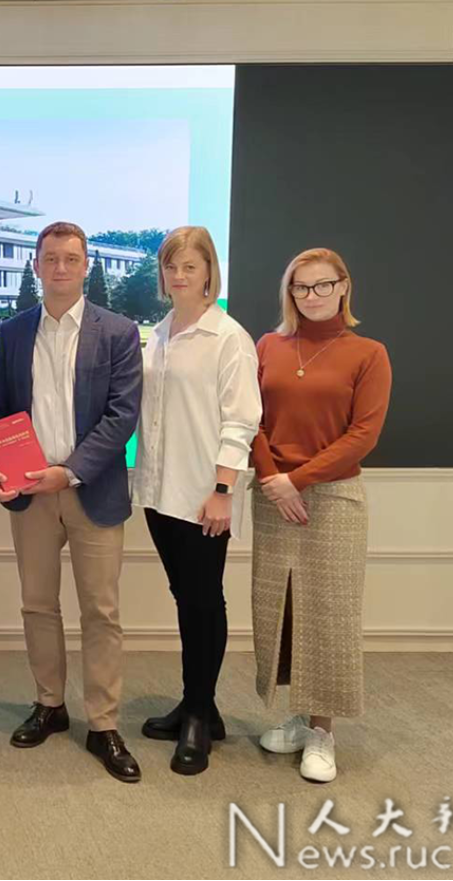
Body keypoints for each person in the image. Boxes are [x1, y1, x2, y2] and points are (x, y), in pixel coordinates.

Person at [0, 221, 145, 783]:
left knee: (101, 611)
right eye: (50, 258)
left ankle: (103, 723)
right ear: (36, 265)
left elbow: (122, 416)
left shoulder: (117, 332)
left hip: (91, 491)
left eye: (72, 258)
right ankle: (50, 704)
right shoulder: (13, 331)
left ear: (86, 265)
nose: (61, 267)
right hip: (30, 495)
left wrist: (68, 472)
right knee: (38, 605)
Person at [250, 247, 390, 784]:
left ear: (343, 286)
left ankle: (323, 731)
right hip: (272, 494)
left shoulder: (368, 353)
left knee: (328, 613)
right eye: (301, 287)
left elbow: (363, 434)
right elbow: (250, 418)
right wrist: (273, 479)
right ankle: (300, 715)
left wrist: (298, 480)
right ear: (290, 292)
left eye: (322, 285)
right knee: (281, 610)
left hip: (332, 499)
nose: (312, 296)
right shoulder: (269, 345)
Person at [132, 226, 261, 776]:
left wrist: (223, 490)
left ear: (210, 271)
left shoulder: (228, 337)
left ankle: (199, 717)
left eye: (191, 265)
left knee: (204, 601)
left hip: (205, 495)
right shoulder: (160, 333)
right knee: (187, 598)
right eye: (171, 266)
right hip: (159, 492)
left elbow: (242, 420)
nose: (179, 275)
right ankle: (197, 705)